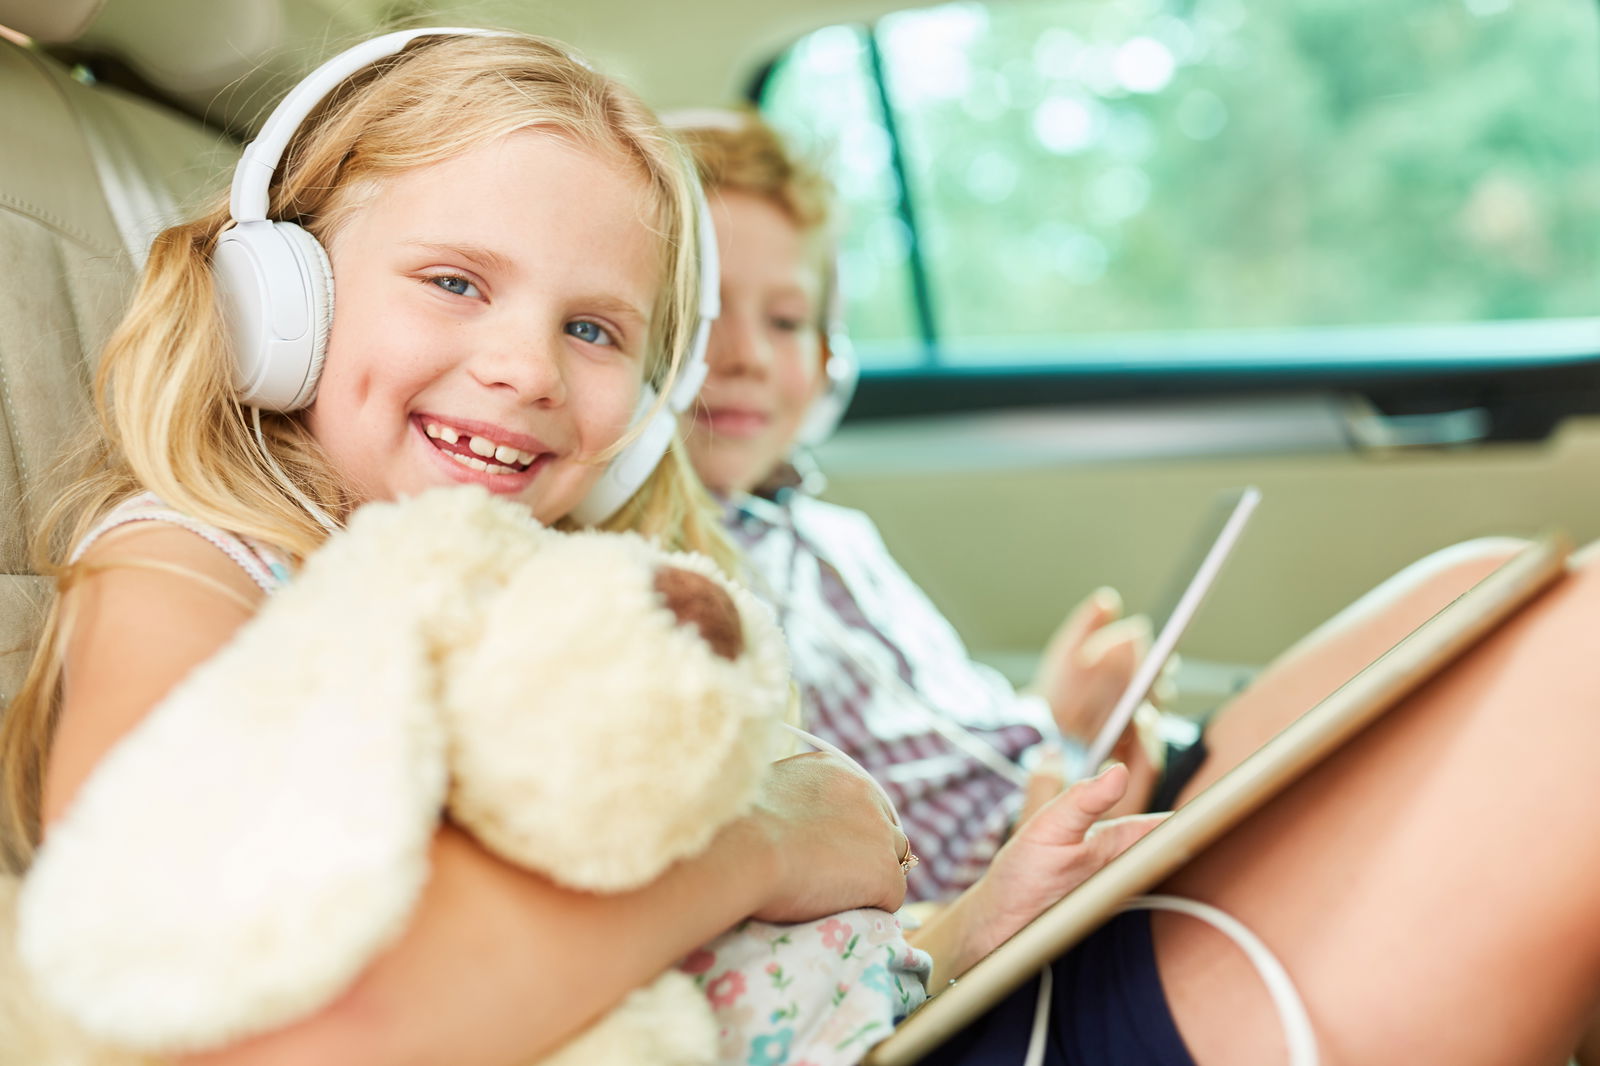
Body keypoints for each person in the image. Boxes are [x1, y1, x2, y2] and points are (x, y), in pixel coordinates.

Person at [6, 30, 1600, 1066]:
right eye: (451, 282)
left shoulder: (563, 587)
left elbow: (729, 959)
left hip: (909, 1009)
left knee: (1480, 597)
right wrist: (764, 840)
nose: (525, 367)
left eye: (592, 326)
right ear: (273, 305)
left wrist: (953, 929)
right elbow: (238, 1015)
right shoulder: (190, 565)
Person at [673, 110, 1181, 902]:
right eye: (705, 317)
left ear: (831, 354)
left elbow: (935, 744)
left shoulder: (836, 535)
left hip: (1054, 786)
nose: (748, 356)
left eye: (785, 320)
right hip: (1003, 875)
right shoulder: (689, 578)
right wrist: (1036, 816)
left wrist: (1055, 716)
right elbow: (865, 841)